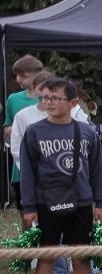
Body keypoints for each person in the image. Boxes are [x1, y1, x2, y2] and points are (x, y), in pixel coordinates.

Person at [18, 76, 102, 274]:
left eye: (55, 98)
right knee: (47, 255)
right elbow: (27, 172)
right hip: (45, 202)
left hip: (81, 201)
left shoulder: (86, 132)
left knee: (80, 255)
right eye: (46, 98)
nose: (49, 102)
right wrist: (28, 206)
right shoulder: (34, 132)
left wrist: (101, 202)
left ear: (73, 102)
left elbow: (97, 169)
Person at [5, 54, 44, 210]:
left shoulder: (49, 98)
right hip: (20, 168)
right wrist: (8, 130)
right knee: (26, 214)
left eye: (24, 75)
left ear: (38, 74)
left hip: (46, 167)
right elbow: (7, 126)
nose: (19, 80)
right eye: (17, 75)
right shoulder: (13, 100)